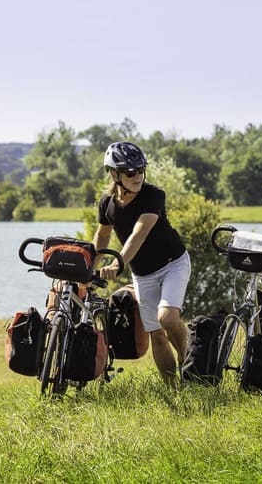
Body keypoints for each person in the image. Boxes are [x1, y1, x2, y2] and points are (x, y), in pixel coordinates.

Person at [93, 141, 190, 386]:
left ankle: (189, 363)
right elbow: (103, 235)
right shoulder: (107, 204)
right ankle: (173, 388)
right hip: (143, 273)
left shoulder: (153, 195)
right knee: (156, 333)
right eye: (130, 172)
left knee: (168, 318)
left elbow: (139, 233)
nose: (137, 176)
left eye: (140, 170)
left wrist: (118, 263)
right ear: (114, 174)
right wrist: (90, 267)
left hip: (173, 264)